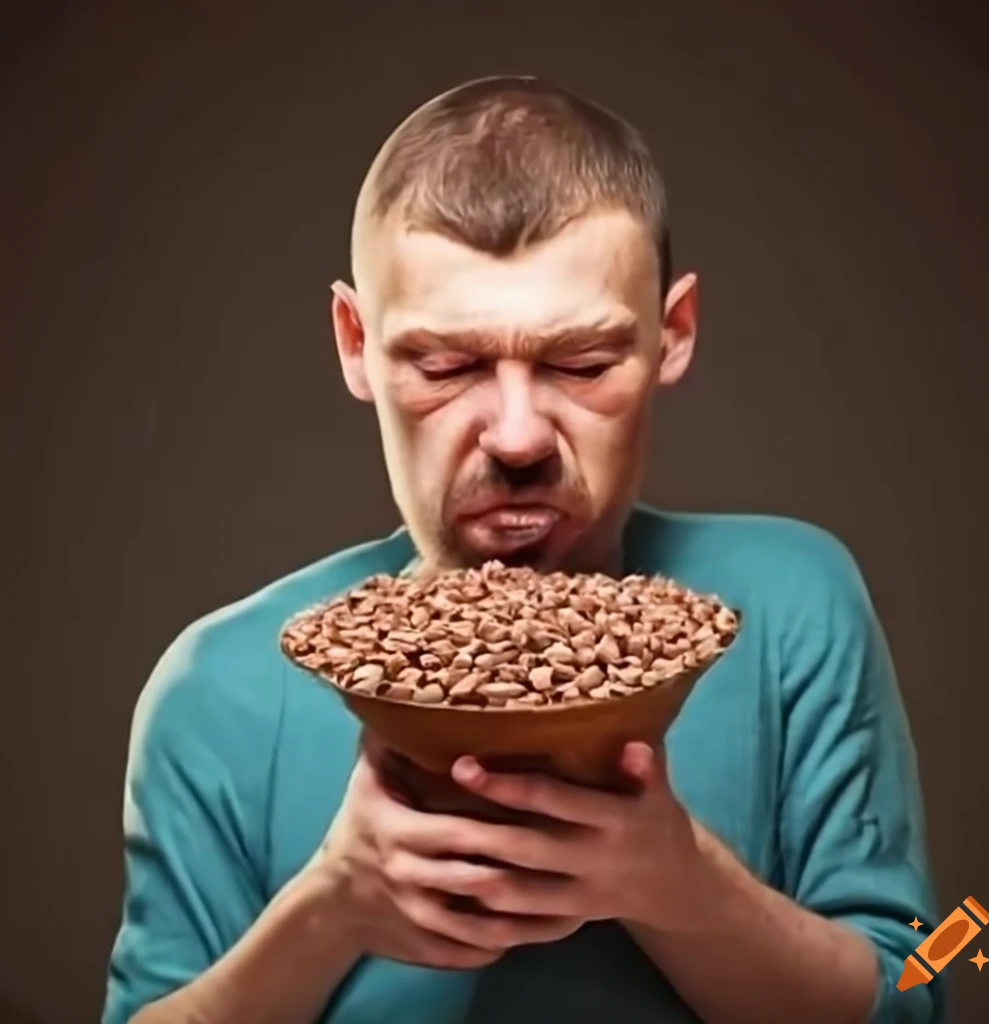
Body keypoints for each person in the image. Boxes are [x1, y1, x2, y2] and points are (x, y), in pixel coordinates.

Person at [103, 76, 943, 1024]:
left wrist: (689, 891)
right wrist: (328, 909)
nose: (516, 437)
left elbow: (940, 961)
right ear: (355, 342)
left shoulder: (795, 603)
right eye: (445, 365)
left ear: (672, 334)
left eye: (582, 364)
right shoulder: (217, 685)